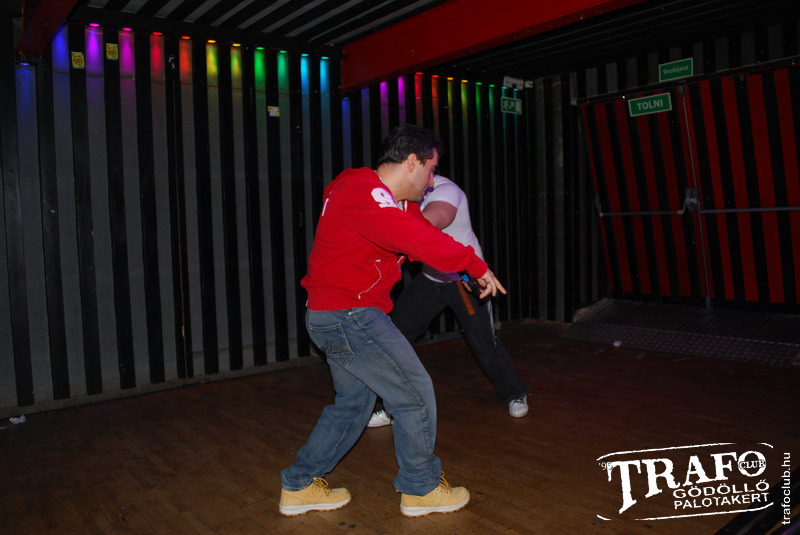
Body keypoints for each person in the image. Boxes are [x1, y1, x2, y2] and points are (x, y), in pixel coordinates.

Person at [279, 125, 507, 518]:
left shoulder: (395, 204)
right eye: (431, 170)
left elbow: (421, 235)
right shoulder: (361, 189)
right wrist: (474, 264)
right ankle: (421, 488)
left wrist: (466, 270)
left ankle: (300, 484)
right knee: (413, 393)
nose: (433, 181)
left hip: (336, 314)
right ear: (413, 162)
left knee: (354, 404)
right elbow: (413, 238)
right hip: (349, 314)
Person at [366, 175, 529, 430]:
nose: (429, 177)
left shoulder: (447, 190)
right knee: (396, 337)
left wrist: (393, 225)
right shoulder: (401, 195)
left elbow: (433, 219)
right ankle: (393, 407)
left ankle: (515, 393)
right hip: (430, 278)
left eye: (430, 169)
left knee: (483, 343)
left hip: (464, 279)